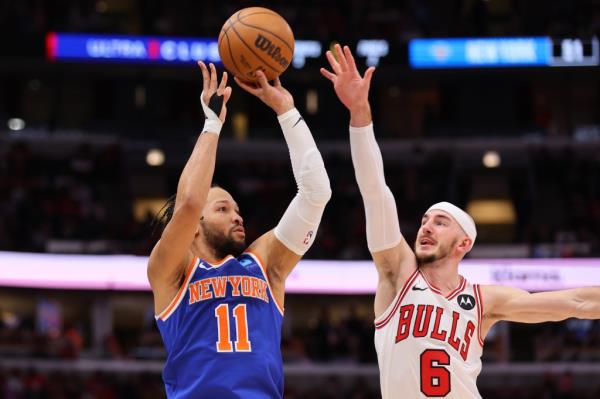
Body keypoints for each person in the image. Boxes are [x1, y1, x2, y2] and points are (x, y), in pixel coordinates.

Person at [321, 44, 600, 399]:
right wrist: (360, 113)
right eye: (424, 220)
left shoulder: (483, 301)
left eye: (440, 222)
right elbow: (375, 191)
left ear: (463, 243)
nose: (425, 226)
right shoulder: (397, 273)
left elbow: (574, 302)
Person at [148, 62, 331, 398]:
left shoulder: (264, 264)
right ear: (194, 229)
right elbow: (189, 202)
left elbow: (316, 193)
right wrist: (212, 124)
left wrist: (287, 111)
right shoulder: (172, 271)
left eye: (237, 210)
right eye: (222, 209)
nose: (237, 216)